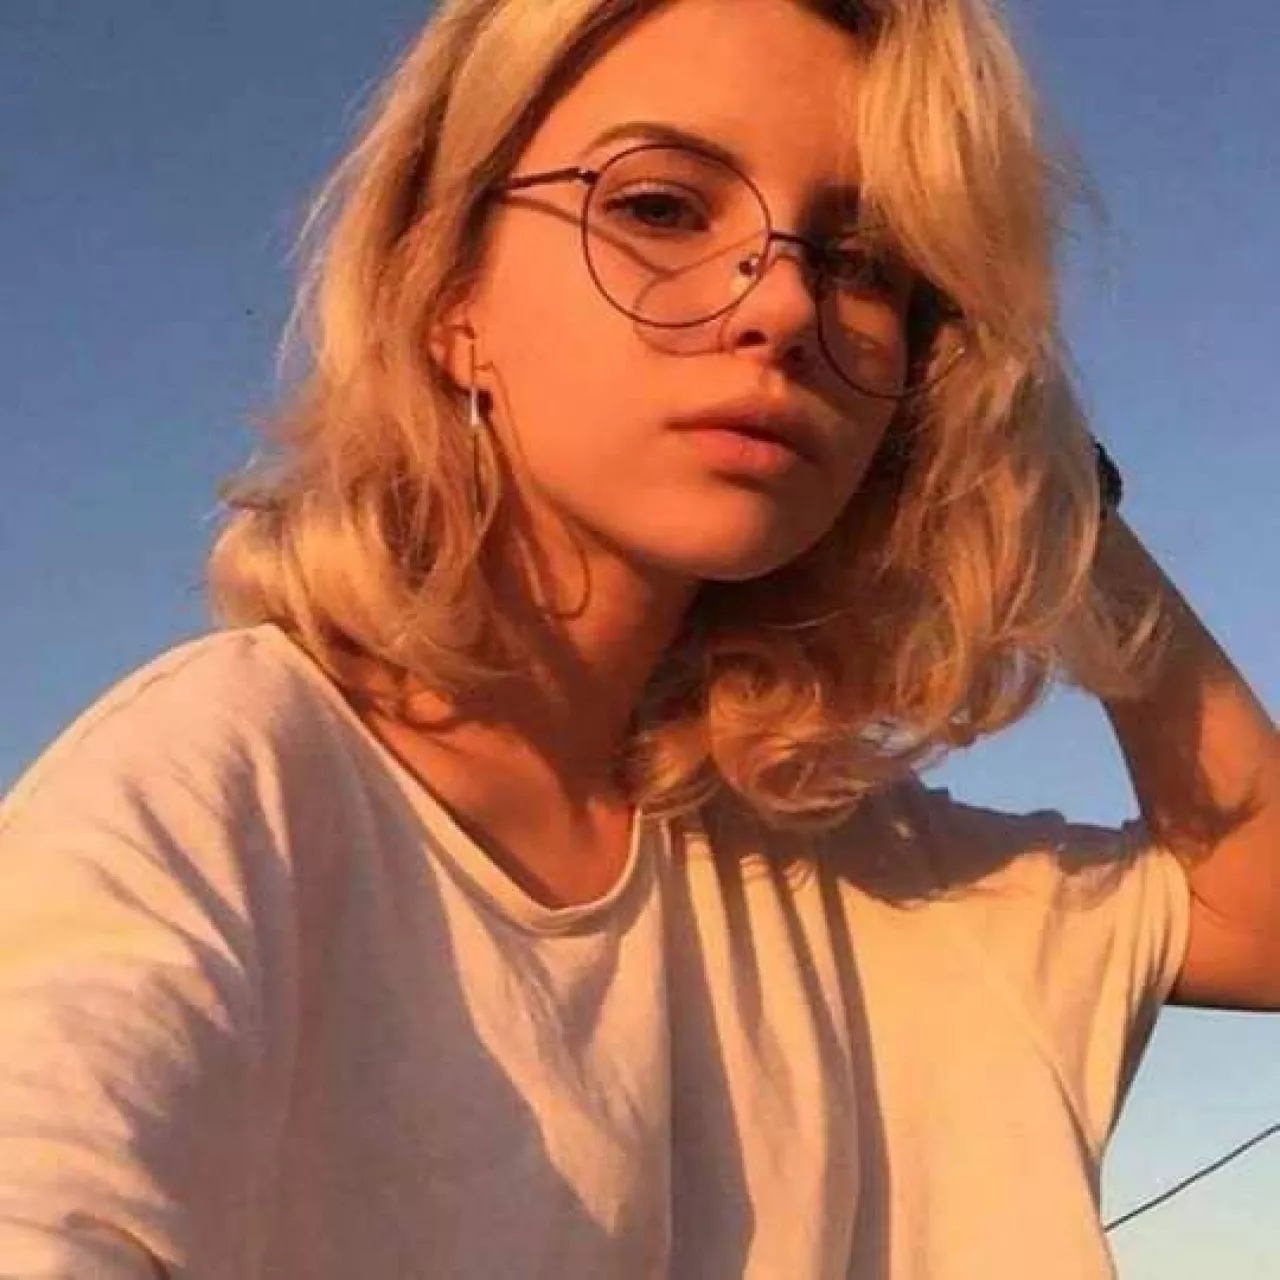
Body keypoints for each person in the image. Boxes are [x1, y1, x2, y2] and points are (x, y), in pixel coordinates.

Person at [1, 0, 1275, 1275]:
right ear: (449, 297)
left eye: (864, 263)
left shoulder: (851, 867)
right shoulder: (225, 796)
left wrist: (1039, 469)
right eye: (660, 207)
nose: (783, 303)